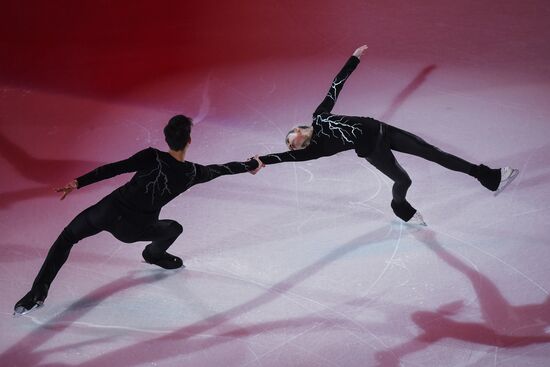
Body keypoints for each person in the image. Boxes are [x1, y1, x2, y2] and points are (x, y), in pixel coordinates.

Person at [14, 115, 264, 315]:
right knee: (174, 228)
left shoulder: (150, 156)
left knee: (67, 238)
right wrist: (251, 165)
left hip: (106, 211)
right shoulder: (191, 173)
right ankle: (153, 255)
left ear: (166, 140)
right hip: (133, 229)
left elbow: (113, 169)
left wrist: (79, 182)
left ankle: (36, 293)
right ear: (189, 142)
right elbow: (222, 169)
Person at [257, 44, 519, 225]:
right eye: (294, 140)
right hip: (374, 151)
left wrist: (354, 58)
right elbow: (285, 158)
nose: (295, 134)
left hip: (384, 130)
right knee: (404, 181)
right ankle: (400, 207)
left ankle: (489, 177)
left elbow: (336, 86)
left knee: (432, 152)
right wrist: (262, 161)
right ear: (302, 143)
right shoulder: (315, 149)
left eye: (292, 133)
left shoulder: (319, 115)